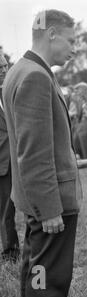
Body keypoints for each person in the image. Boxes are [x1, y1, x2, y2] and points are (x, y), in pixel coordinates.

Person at [2, 9, 82, 297]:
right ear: (52, 34)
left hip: (33, 196)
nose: (75, 48)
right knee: (48, 282)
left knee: (35, 272)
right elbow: (33, 153)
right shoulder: (36, 76)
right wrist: (49, 209)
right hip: (50, 202)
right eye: (71, 40)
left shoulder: (20, 69)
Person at [0, 54, 20, 263]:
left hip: (22, 158)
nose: (4, 70)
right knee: (6, 209)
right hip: (3, 163)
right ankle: (10, 251)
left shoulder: (14, 91)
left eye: (5, 66)